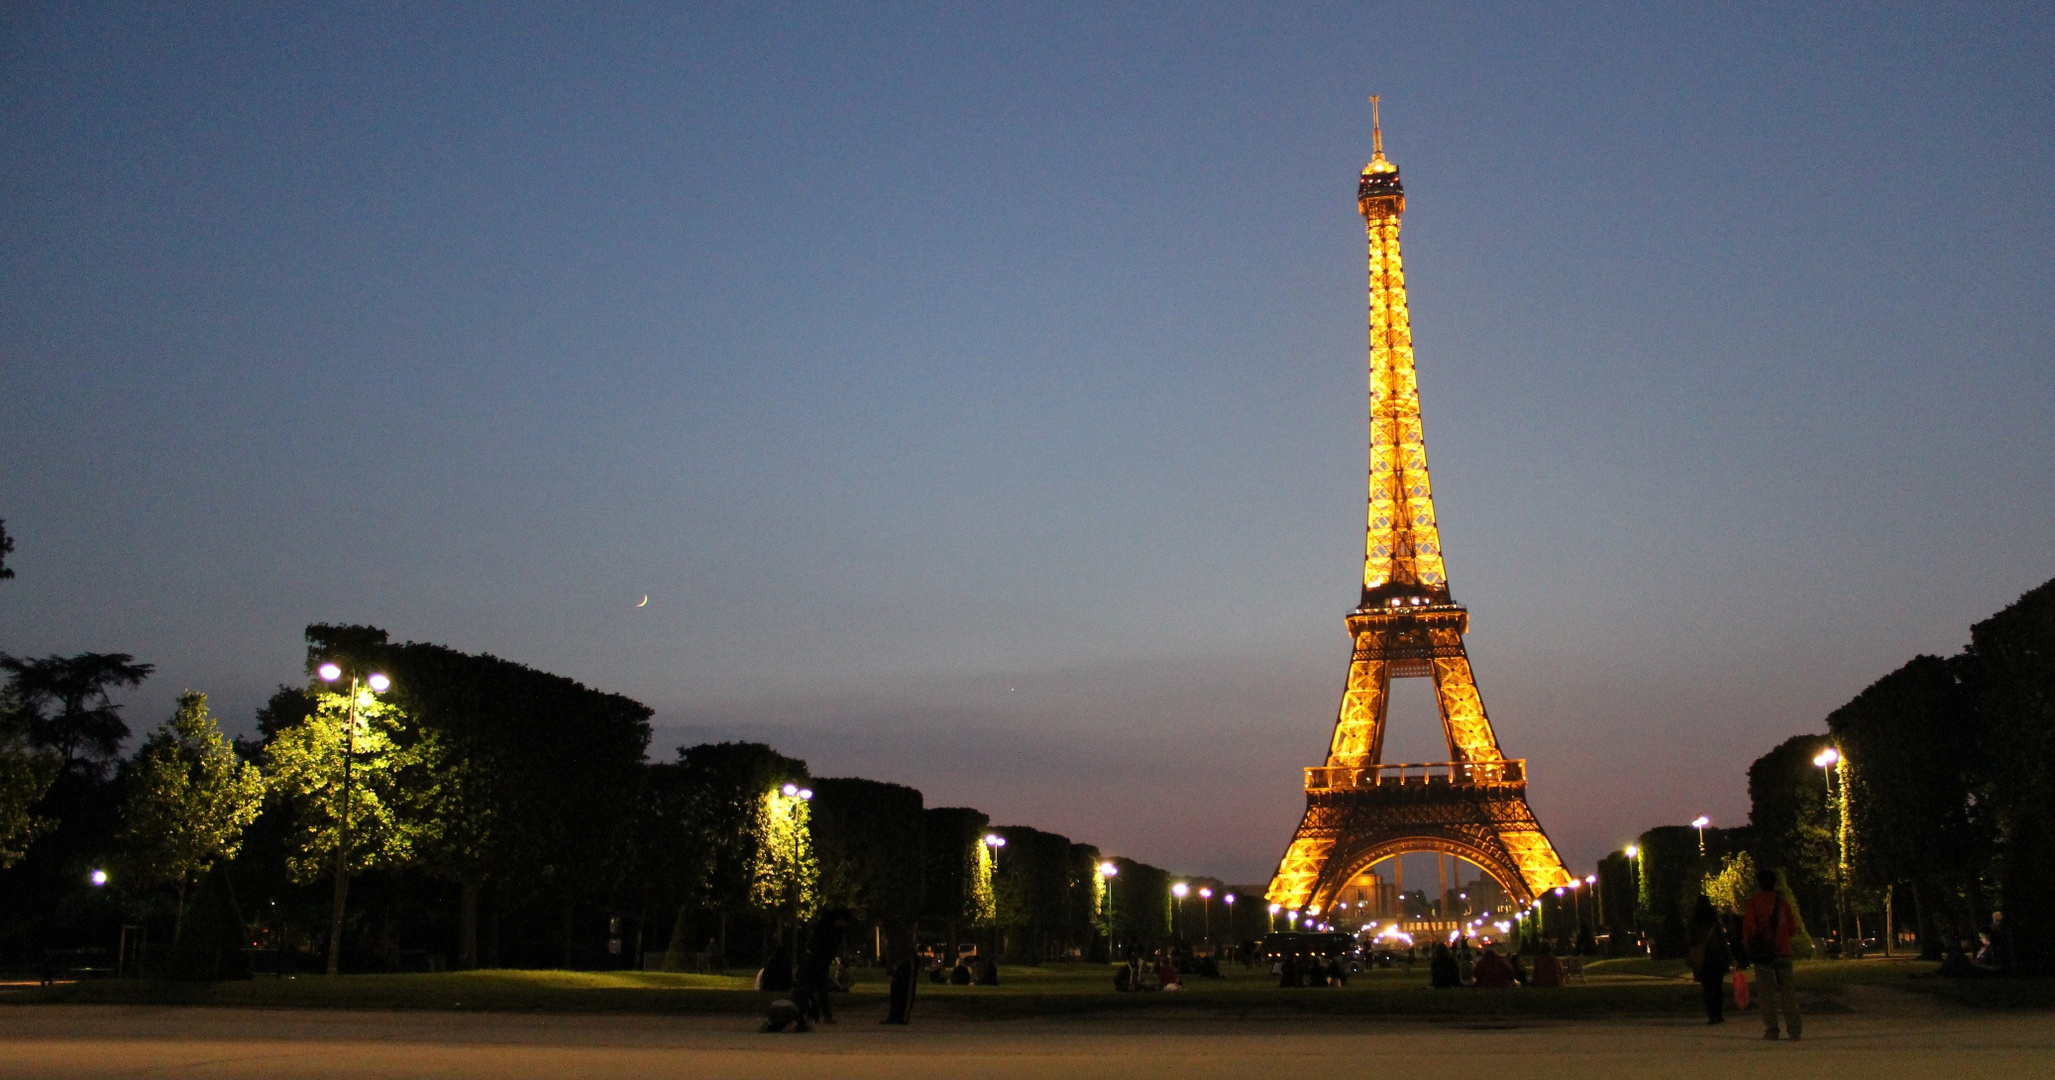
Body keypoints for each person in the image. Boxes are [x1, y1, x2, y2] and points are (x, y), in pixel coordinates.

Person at [1743, 867, 1802, 1040]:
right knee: (1788, 993)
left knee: (1766, 994)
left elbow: (1749, 928)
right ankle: (1794, 1029)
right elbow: (1792, 929)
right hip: (1783, 951)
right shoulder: (1783, 903)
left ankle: (1772, 1029)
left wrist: (1749, 947)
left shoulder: (1753, 903)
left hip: (1763, 955)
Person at [1689, 896, 1732, 1025]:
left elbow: (1691, 941)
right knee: (1718, 987)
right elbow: (1722, 940)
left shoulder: (1694, 922)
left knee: (1707, 988)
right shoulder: (1714, 920)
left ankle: (1711, 1015)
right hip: (1716, 956)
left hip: (1703, 958)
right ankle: (1718, 1014)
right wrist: (1729, 956)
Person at [882, 957, 917, 1025]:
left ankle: (903, 1016)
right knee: (895, 990)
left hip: (906, 959)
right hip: (898, 961)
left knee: (905, 990)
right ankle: (894, 1016)